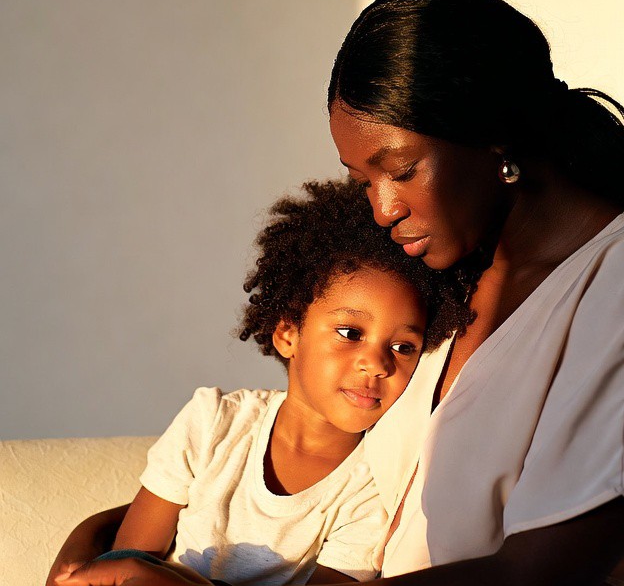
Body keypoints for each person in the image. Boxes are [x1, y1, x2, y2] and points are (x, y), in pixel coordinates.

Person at [53, 0, 624, 586]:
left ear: (495, 137)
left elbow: (542, 574)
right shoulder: (449, 279)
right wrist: (94, 549)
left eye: (401, 170)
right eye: (364, 181)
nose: (381, 209)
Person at [50, 179, 471, 586]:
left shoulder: (371, 488)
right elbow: (126, 563)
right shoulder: (213, 423)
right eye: (349, 333)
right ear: (288, 334)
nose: (377, 363)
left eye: (402, 347)